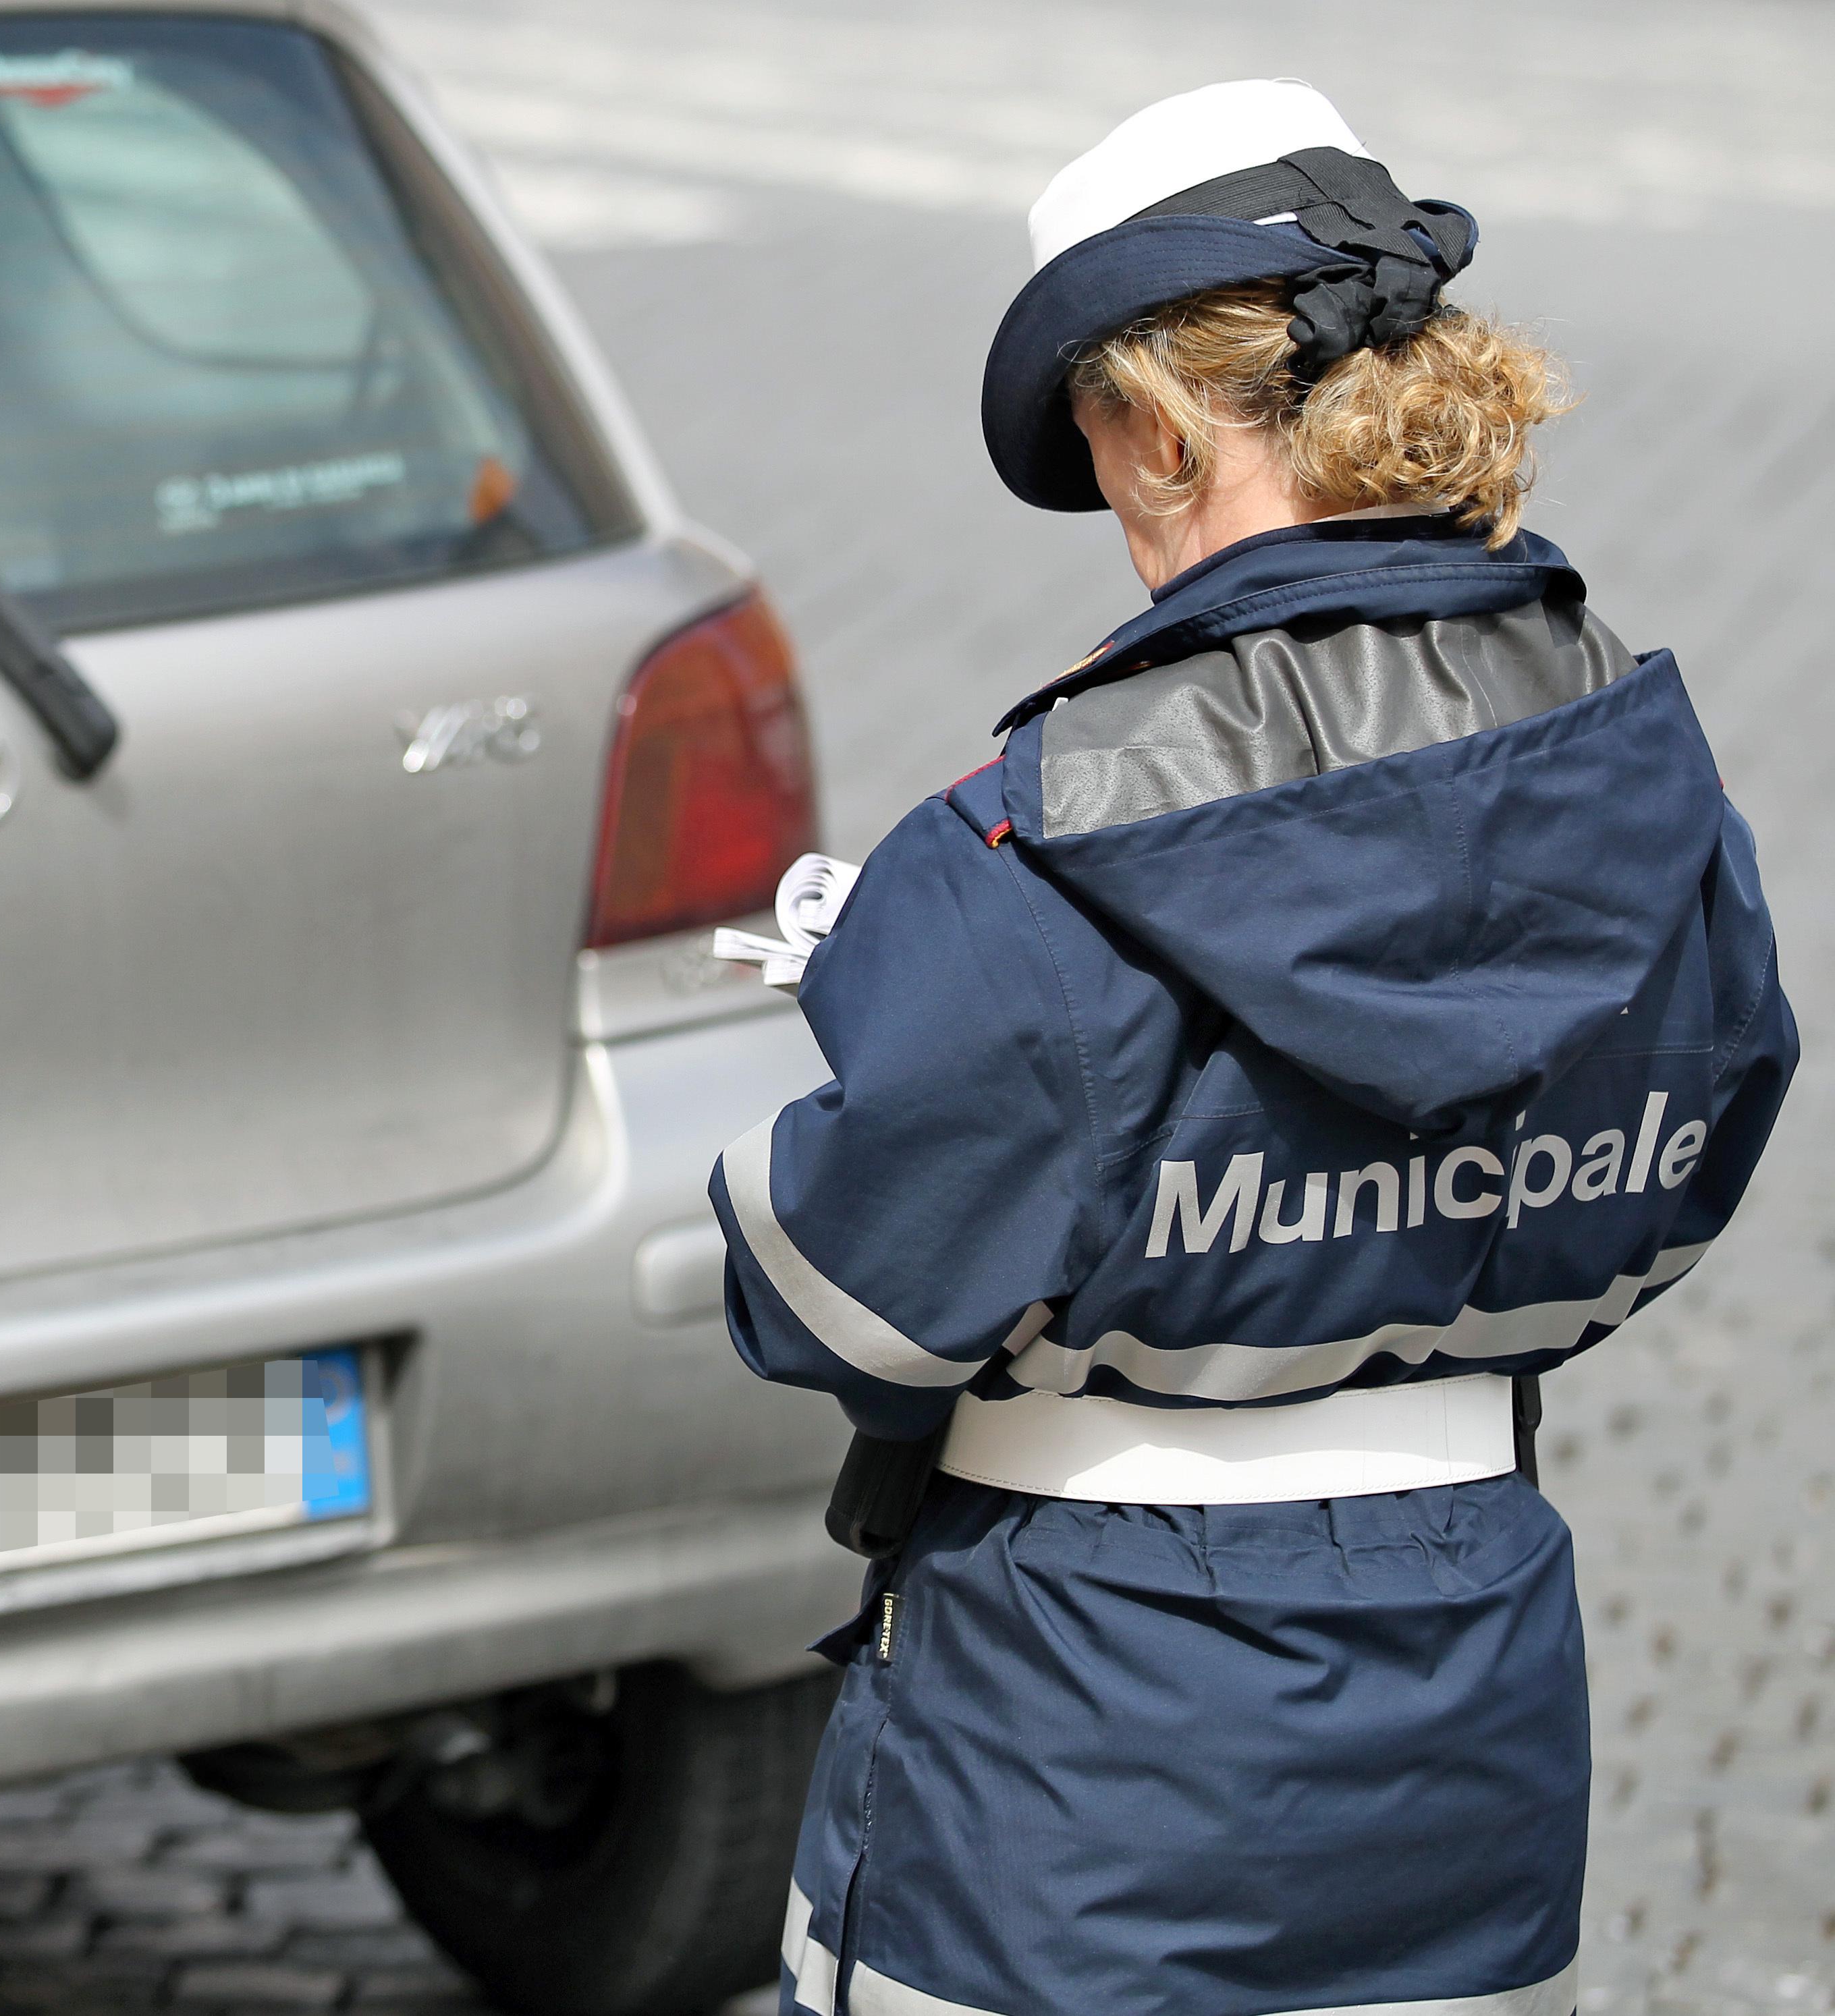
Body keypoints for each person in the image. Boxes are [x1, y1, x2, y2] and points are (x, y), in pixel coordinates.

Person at [711, 80, 1797, 2016]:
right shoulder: (1645, 766)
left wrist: (844, 1028)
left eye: (1100, 444)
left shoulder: (1027, 845)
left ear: (1148, 426)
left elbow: (845, 1303)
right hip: (1475, 1728)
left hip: (1074, 1763)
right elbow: (1682, 1164)